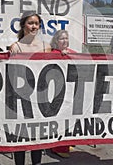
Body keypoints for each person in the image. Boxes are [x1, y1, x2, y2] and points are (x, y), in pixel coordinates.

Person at [9, 12, 51, 165]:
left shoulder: (46, 47)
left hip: (39, 97)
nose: (34, 26)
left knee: (36, 136)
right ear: (23, 25)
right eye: (30, 23)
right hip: (20, 96)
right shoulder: (16, 46)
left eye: (36, 23)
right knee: (20, 136)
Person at [49, 29, 75, 158]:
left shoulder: (72, 53)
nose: (65, 41)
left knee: (69, 119)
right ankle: (58, 147)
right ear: (56, 41)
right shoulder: (52, 53)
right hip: (56, 92)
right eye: (62, 39)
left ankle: (66, 142)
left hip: (70, 91)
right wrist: (60, 55)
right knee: (60, 119)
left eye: (66, 38)